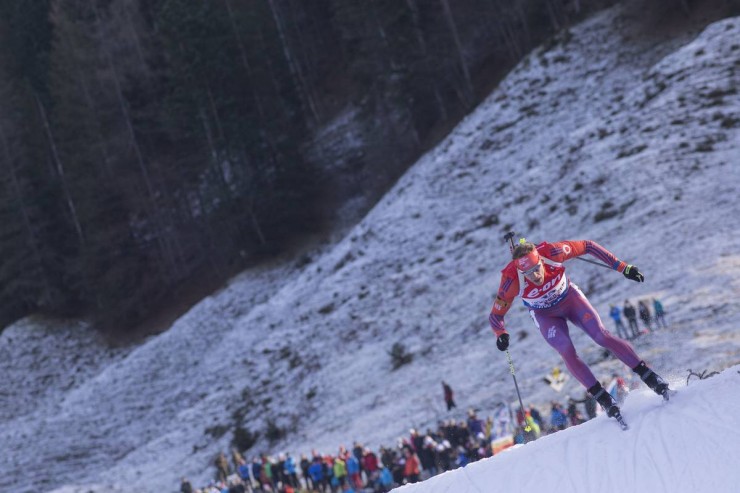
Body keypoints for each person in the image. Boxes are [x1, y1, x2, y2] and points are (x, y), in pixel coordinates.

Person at [487, 239, 672, 424]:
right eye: (527, 272)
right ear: (520, 271)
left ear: (540, 261)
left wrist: (623, 267)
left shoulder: (552, 252)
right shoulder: (511, 280)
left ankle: (650, 376)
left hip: (570, 300)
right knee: (566, 350)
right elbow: (496, 315)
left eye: (536, 268)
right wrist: (500, 333)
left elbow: (588, 246)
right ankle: (604, 399)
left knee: (601, 336)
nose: (534, 275)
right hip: (545, 315)